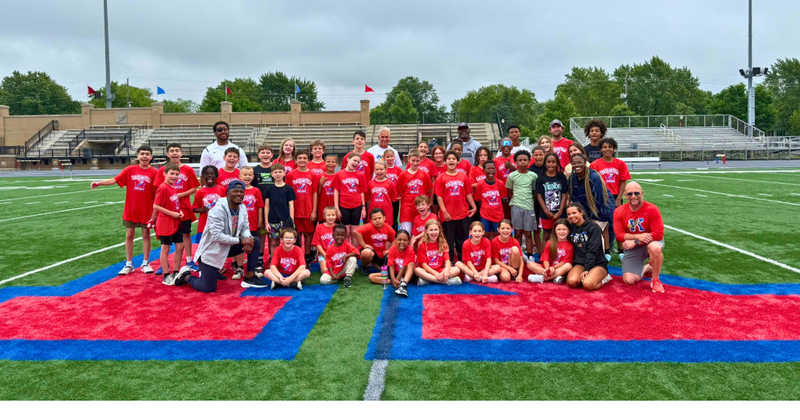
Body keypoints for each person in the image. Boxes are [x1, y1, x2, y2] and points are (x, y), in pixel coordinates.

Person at [175, 180, 267, 292]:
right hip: (212, 250)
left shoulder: (242, 207)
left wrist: (248, 239)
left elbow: (245, 228)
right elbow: (217, 236)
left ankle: (250, 277)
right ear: (227, 193)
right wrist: (241, 240)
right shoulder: (217, 210)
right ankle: (186, 276)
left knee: (255, 241)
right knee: (209, 288)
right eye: (235, 191)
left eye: (241, 192)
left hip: (229, 246)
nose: (239, 194)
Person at [91, 145, 158, 275]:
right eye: (142, 154)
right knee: (129, 235)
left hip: (147, 209)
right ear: (137, 156)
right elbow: (115, 180)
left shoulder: (154, 172)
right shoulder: (130, 170)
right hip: (131, 209)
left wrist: (155, 211)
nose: (144, 156)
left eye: (147, 154)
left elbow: (158, 192)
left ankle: (145, 263)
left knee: (146, 234)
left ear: (151, 157)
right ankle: (128, 264)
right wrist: (99, 183)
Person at [151, 143, 200, 273]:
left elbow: (194, 188)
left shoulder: (188, 170)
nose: (174, 153)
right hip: (167, 213)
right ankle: (165, 265)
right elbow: (158, 191)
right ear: (167, 154)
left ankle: (189, 260)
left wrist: (178, 195)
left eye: (177, 150)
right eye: (171, 151)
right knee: (166, 240)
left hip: (183, 209)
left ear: (181, 153)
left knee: (185, 235)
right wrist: (154, 215)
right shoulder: (162, 171)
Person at [613, 182, 665, 293]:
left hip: (649, 241)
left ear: (642, 194)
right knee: (629, 280)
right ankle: (648, 267)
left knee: (655, 247)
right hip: (635, 244)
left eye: (636, 193)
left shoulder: (652, 209)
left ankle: (655, 279)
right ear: (625, 196)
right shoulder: (619, 211)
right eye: (630, 194)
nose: (633, 196)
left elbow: (658, 234)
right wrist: (638, 236)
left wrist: (636, 241)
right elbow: (619, 235)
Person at [568, 154, 615, 260]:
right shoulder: (572, 178)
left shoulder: (594, 176)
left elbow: (599, 199)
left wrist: (592, 217)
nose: (577, 165)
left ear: (585, 162)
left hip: (602, 207)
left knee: (597, 228)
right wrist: (581, 215)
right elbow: (575, 199)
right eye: (574, 163)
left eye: (579, 162)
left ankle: (604, 253)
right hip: (585, 207)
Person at [434, 150, 477, 261]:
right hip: (448, 214)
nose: (451, 161)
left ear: (458, 161)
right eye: (449, 159)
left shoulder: (463, 177)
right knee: (449, 239)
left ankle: (463, 259)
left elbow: (468, 193)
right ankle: (450, 260)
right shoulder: (441, 178)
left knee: (462, 239)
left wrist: (474, 206)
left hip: (463, 213)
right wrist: (444, 212)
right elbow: (439, 197)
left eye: (453, 159)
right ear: (445, 162)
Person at [152, 163, 187, 285]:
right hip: (165, 224)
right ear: (165, 174)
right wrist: (172, 214)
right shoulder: (163, 187)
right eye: (172, 173)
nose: (174, 176)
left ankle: (176, 271)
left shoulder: (173, 188)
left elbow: (174, 204)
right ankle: (166, 274)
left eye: (177, 174)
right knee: (165, 247)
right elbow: (156, 206)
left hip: (175, 222)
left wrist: (179, 212)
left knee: (180, 246)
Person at [565, 203, 609, 291]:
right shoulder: (571, 227)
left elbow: (592, 250)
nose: (571, 216)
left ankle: (605, 278)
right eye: (569, 214)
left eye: (574, 213)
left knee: (588, 284)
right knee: (572, 282)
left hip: (597, 262)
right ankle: (587, 277)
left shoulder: (593, 228)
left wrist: (587, 268)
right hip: (580, 262)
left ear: (582, 213)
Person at [506, 150, 540, 262]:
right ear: (515, 162)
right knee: (518, 232)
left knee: (528, 233)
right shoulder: (512, 176)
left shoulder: (533, 176)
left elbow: (535, 192)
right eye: (520, 160)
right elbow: (509, 192)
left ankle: (530, 255)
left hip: (529, 207)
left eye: (525, 160)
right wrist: (516, 201)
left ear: (529, 161)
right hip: (516, 206)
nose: (523, 162)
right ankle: (519, 254)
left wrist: (530, 202)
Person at [286, 150, 319, 263]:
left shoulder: (313, 174)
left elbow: (315, 193)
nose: (302, 160)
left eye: (305, 158)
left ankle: (308, 254)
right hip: (295, 209)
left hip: (308, 209)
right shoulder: (291, 175)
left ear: (308, 160)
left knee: (309, 233)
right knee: (297, 233)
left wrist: (314, 210)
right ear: (296, 160)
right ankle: (298, 254)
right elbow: (288, 194)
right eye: (299, 158)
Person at [332, 153, 368, 246]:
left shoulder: (360, 175)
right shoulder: (339, 174)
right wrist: (336, 207)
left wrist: (363, 207)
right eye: (354, 160)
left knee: (354, 232)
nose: (356, 163)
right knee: (346, 231)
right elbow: (336, 192)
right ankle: (347, 250)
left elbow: (362, 192)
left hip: (356, 205)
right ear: (348, 159)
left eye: (358, 162)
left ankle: (354, 252)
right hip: (344, 205)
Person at [236, 166, 264, 280]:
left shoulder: (256, 190)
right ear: (240, 176)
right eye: (245, 174)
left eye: (249, 175)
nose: (247, 177)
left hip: (252, 222)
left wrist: (260, 220)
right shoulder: (237, 190)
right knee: (239, 245)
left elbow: (260, 206)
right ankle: (239, 267)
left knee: (253, 243)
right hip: (239, 224)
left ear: (253, 177)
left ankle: (254, 265)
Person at [414, 219, 462, 286]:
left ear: (439, 230)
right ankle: (444, 281)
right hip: (428, 271)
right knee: (417, 270)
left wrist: (446, 270)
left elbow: (447, 261)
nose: (434, 232)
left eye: (436, 229)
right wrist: (436, 274)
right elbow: (424, 265)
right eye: (431, 230)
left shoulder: (443, 242)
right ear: (426, 231)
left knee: (457, 269)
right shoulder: (422, 244)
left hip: (440, 270)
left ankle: (428, 280)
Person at [526, 218, 573, 284]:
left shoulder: (570, 245)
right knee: (530, 264)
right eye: (559, 229)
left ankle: (543, 278)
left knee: (568, 266)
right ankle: (555, 277)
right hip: (547, 268)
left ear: (569, 231)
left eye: (564, 229)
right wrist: (547, 269)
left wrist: (553, 268)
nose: (561, 232)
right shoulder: (550, 242)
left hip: (558, 268)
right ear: (555, 231)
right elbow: (546, 258)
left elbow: (564, 262)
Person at [536, 153, 569, 243]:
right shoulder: (540, 178)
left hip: (560, 212)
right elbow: (539, 196)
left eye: (553, 162)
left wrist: (561, 211)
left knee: (561, 235)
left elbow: (564, 195)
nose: (551, 164)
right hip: (545, 212)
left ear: (557, 163)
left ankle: (560, 255)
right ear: (545, 163)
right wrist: (546, 211)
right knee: (546, 235)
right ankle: (544, 256)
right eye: (548, 162)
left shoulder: (562, 177)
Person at [397, 150, 432, 234]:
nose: (415, 163)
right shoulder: (403, 174)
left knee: (421, 231)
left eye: (417, 161)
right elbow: (400, 191)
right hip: (407, 206)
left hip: (421, 207)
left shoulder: (424, 174)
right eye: (413, 160)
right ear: (408, 159)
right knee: (406, 232)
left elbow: (428, 189)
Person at [264, 164, 296, 254]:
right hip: (273, 220)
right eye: (275, 172)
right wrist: (266, 222)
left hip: (285, 220)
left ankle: (285, 259)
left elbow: (291, 206)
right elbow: (267, 206)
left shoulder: (289, 189)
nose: (278, 174)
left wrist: (291, 220)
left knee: (287, 242)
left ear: (284, 173)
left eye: (280, 172)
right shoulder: (269, 189)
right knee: (274, 242)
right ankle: (273, 260)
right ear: (272, 174)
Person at [355, 208, 396, 278]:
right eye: (375, 219)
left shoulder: (387, 227)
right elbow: (356, 232)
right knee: (366, 253)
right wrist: (364, 245)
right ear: (371, 220)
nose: (377, 220)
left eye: (379, 218)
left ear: (384, 218)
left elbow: (395, 238)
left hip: (381, 253)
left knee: (391, 260)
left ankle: (373, 264)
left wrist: (390, 249)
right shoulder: (369, 226)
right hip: (371, 250)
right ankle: (364, 265)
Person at [252, 144, 274, 272]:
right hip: (260, 207)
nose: (265, 155)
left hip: (274, 206)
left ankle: (272, 258)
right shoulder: (255, 170)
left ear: (272, 155)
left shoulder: (276, 169)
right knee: (261, 233)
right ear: (259, 155)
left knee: (272, 234)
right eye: (263, 153)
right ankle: (259, 259)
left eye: (268, 153)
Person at [591, 138, 631, 208]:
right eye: (605, 147)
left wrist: (619, 198)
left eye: (610, 147)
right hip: (601, 196)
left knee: (616, 217)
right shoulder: (594, 164)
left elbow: (623, 182)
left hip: (615, 195)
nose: (607, 149)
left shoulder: (621, 164)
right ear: (601, 149)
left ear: (614, 149)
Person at [474, 160, 506, 241]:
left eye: (493, 168)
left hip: (498, 215)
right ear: (484, 170)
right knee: (485, 235)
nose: (491, 170)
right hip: (485, 215)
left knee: (497, 235)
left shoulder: (500, 183)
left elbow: (503, 198)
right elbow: (478, 200)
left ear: (496, 170)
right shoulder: (480, 185)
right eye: (488, 168)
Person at [192, 165, 225, 242]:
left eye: (212, 173)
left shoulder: (222, 190)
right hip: (204, 224)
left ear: (216, 175)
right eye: (207, 174)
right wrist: (203, 209)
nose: (210, 176)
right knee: (204, 247)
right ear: (203, 176)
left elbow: (227, 206)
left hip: (219, 224)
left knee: (219, 246)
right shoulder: (200, 191)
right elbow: (194, 208)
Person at [381, 230, 415, 297]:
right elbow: (391, 266)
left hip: (405, 274)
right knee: (372, 277)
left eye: (405, 240)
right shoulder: (392, 249)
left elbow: (404, 266)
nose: (402, 242)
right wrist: (393, 280)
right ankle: (396, 283)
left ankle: (403, 284)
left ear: (408, 241)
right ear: (395, 240)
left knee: (411, 264)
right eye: (399, 239)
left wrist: (396, 279)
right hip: (395, 274)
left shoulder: (410, 250)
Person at [367, 161, 397, 231]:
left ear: (386, 170)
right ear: (374, 170)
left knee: (386, 231)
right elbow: (368, 199)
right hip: (374, 211)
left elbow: (393, 199)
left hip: (386, 212)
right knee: (373, 231)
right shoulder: (370, 183)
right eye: (377, 169)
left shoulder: (390, 184)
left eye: (381, 169)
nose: (379, 171)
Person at [313, 206, 338, 275]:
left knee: (338, 268)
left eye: (333, 215)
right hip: (324, 254)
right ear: (324, 216)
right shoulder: (319, 227)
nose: (331, 217)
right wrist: (325, 255)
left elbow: (341, 244)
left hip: (336, 254)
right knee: (325, 271)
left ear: (336, 216)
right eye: (328, 215)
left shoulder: (338, 227)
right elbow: (317, 244)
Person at [317, 154, 338, 222]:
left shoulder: (339, 176)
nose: (330, 164)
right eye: (328, 162)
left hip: (335, 207)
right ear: (325, 163)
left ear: (336, 164)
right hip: (323, 207)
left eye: (333, 162)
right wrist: (320, 184)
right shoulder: (320, 176)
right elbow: (317, 194)